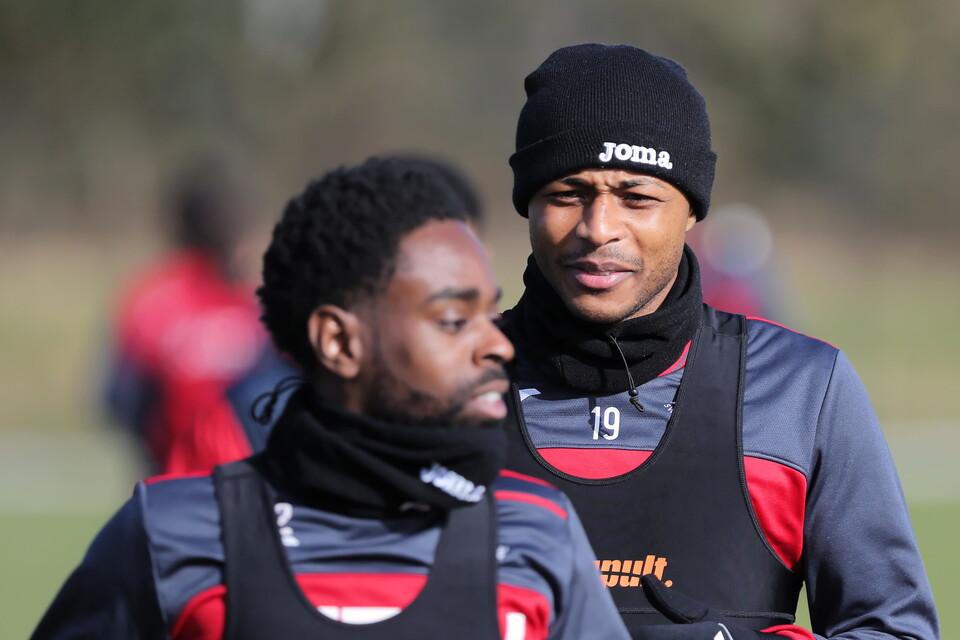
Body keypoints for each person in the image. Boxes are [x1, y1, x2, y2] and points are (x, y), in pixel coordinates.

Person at [33, 157, 631, 640]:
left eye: (488, 312)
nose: (496, 344)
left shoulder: (538, 529)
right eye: (454, 320)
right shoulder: (169, 533)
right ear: (339, 342)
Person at [498, 43, 938, 640]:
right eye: (566, 194)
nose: (599, 228)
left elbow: (893, 628)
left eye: (637, 198)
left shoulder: (802, 390)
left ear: (692, 210)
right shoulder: (443, 389)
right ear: (527, 205)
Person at [102, 159, 269, 475]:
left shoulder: (151, 299)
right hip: (255, 484)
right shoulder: (258, 303)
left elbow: (119, 398)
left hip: (169, 483)